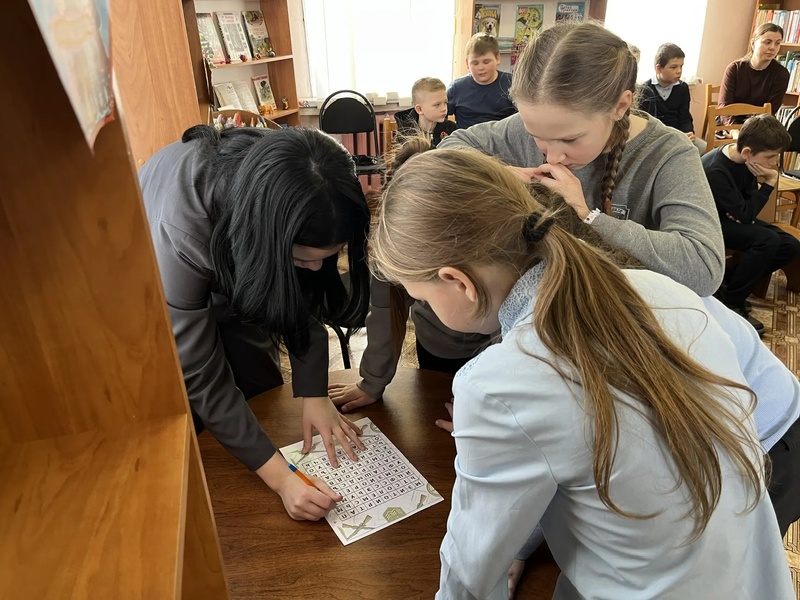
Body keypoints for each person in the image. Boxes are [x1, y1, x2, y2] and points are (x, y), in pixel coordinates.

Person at [369, 145, 795, 600]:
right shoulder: (663, 289)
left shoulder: (496, 383)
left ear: (458, 282)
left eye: (422, 299)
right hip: (751, 574)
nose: (424, 310)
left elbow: (472, 563)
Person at [139, 125, 371, 520]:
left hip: (238, 251)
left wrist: (314, 393)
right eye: (301, 259)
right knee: (195, 414)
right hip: (160, 278)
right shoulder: (181, 229)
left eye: (328, 257)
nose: (318, 269)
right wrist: (281, 479)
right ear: (267, 241)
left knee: (261, 384)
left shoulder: (296, 173)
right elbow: (202, 376)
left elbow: (298, 296)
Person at [439, 21, 725, 298]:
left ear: (620, 106)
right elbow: (447, 152)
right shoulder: (526, 126)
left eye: (570, 140)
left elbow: (704, 268)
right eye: (536, 135)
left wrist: (589, 216)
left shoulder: (668, 153)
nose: (552, 156)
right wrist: (498, 174)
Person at [702, 113, 800, 332]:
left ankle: (729, 282)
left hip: (729, 217)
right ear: (747, 152)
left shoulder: (747, 162)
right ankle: (732, 303)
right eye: (771, 156)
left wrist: (743, 211)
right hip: (709, 222)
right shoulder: (716, 170)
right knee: (767, 240)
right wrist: (769, 183)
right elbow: (747, 213)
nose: (774, 163)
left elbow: (747, 207)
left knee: (791, 246)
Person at [639, 43, 706, 154]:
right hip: (656, 139)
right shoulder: (645, 89)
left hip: (679, 135)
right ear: (659, 68)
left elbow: (685, 116)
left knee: (704, 148)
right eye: (674, 67)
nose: (679, 71)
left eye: (681, 66)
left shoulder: (683, 88)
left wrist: (689, 132)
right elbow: (646, 124)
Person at [718, 23, 790, 125]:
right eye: (767, 42)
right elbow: (724, 107)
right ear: (753, 43)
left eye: (777, 43)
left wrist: (749, 130)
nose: (772, 47)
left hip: (759, 126)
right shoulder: (735, 69)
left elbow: (770, 110)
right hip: (728, 124)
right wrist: (734, 130)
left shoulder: (781, 74)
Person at [447, 33, 517, 129]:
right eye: (475, 63)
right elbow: (438, 116)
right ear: (467, 63)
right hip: (466, 137)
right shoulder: (456, 88)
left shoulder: (513, 83)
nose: (481, 68)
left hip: (502, 136)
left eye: (486, 62)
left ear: (497, 59)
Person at [393, 78, 457, 149]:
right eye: (437, 105)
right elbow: (403, 155)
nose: (444, 109)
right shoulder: (405, 132)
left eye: (445, 102)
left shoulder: (451, 129)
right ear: (419, 109)